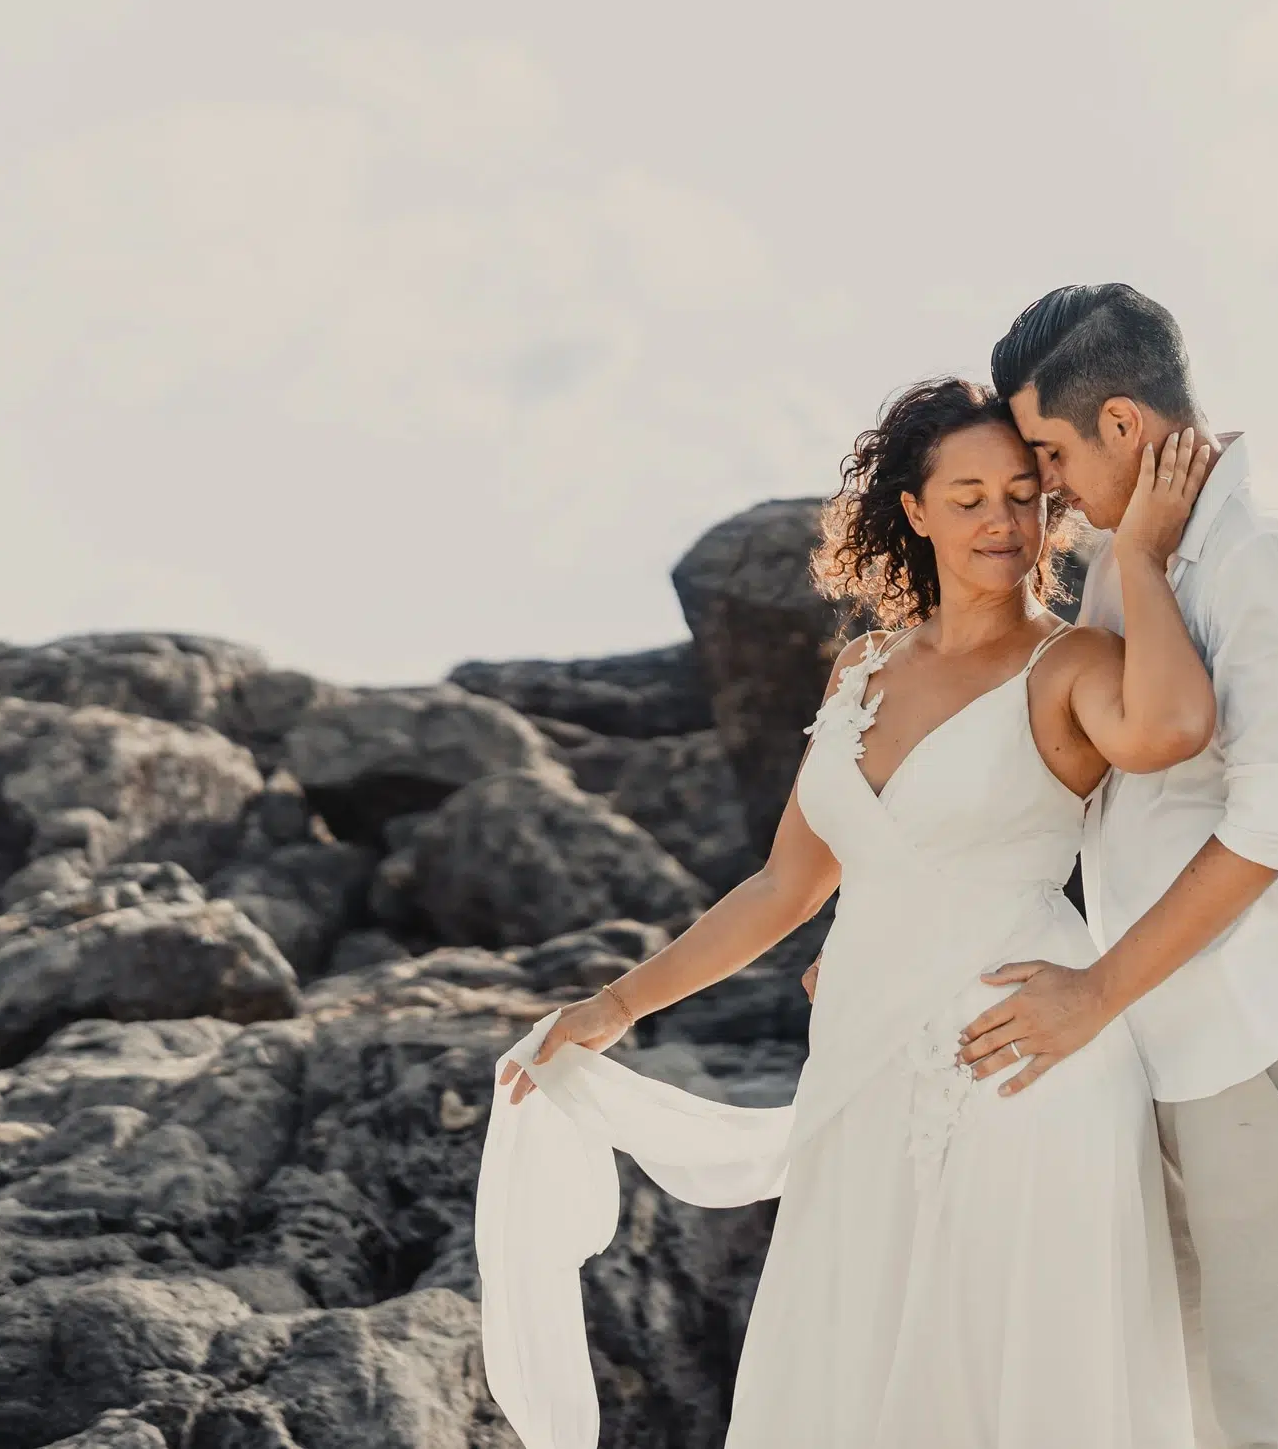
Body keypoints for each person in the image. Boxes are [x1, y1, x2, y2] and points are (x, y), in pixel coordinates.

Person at [478, 376, 1217, 1449]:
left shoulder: (1073, 663)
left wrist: (1136, 560)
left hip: (1018, 1064)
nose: (1002, 522)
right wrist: (614, 1006)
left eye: (1023, 493)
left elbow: (1172, 729)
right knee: (853, 1381)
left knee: (1010, 1387)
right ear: (912, 511)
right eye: (966, 497)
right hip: (861, 1070)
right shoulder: (861, 666)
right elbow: (788, 885)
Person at [958, 283, 1278, 1449]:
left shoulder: (1266, 552)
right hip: (1168, 1036)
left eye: (1048, 451)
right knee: (1196, 1416)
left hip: (1269, 1034)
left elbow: (1272, 826)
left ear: (1120, 425)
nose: (1044, 485)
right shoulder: (1130, 562)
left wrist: (1094, 994)